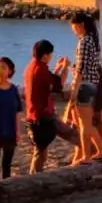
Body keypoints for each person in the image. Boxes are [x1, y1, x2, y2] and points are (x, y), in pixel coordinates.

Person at [23, 39, 72, 172]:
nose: (51, 57)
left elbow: (49, 80)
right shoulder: (40, 69)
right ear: (45, 55)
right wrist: (66, 67)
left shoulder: (31, 67)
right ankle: (34, 177)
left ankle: (35, 174)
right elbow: (58, 83)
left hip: (34, 114)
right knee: (42, 150)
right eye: (50, 54)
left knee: (41, 151)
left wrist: (58, 67)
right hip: (42, 115)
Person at [67, 15, 102, 162]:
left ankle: (87, 155)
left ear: (81, 24)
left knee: (84, 124)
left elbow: (81, 67)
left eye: (74, 26)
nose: (73, 29)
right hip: (93, 84)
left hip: (84, 85)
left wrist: (74, 87)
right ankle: (100, 151)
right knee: (88, 123)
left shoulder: (84, 41)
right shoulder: (93, 39)